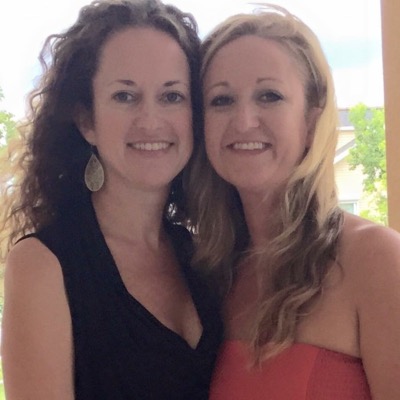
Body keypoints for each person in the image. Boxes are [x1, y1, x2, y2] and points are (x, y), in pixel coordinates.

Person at [0, 0, 223, 398]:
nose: (151, 120)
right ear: (87, 120)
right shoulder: (44, 265)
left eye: (172, 96)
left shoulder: (201, 255)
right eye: (124, 96)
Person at [187, 4, 400, 399]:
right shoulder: (209, 273)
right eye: (221, 100)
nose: (243, 120)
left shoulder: (375, 259)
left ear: (311, 121)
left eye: (269, 96)